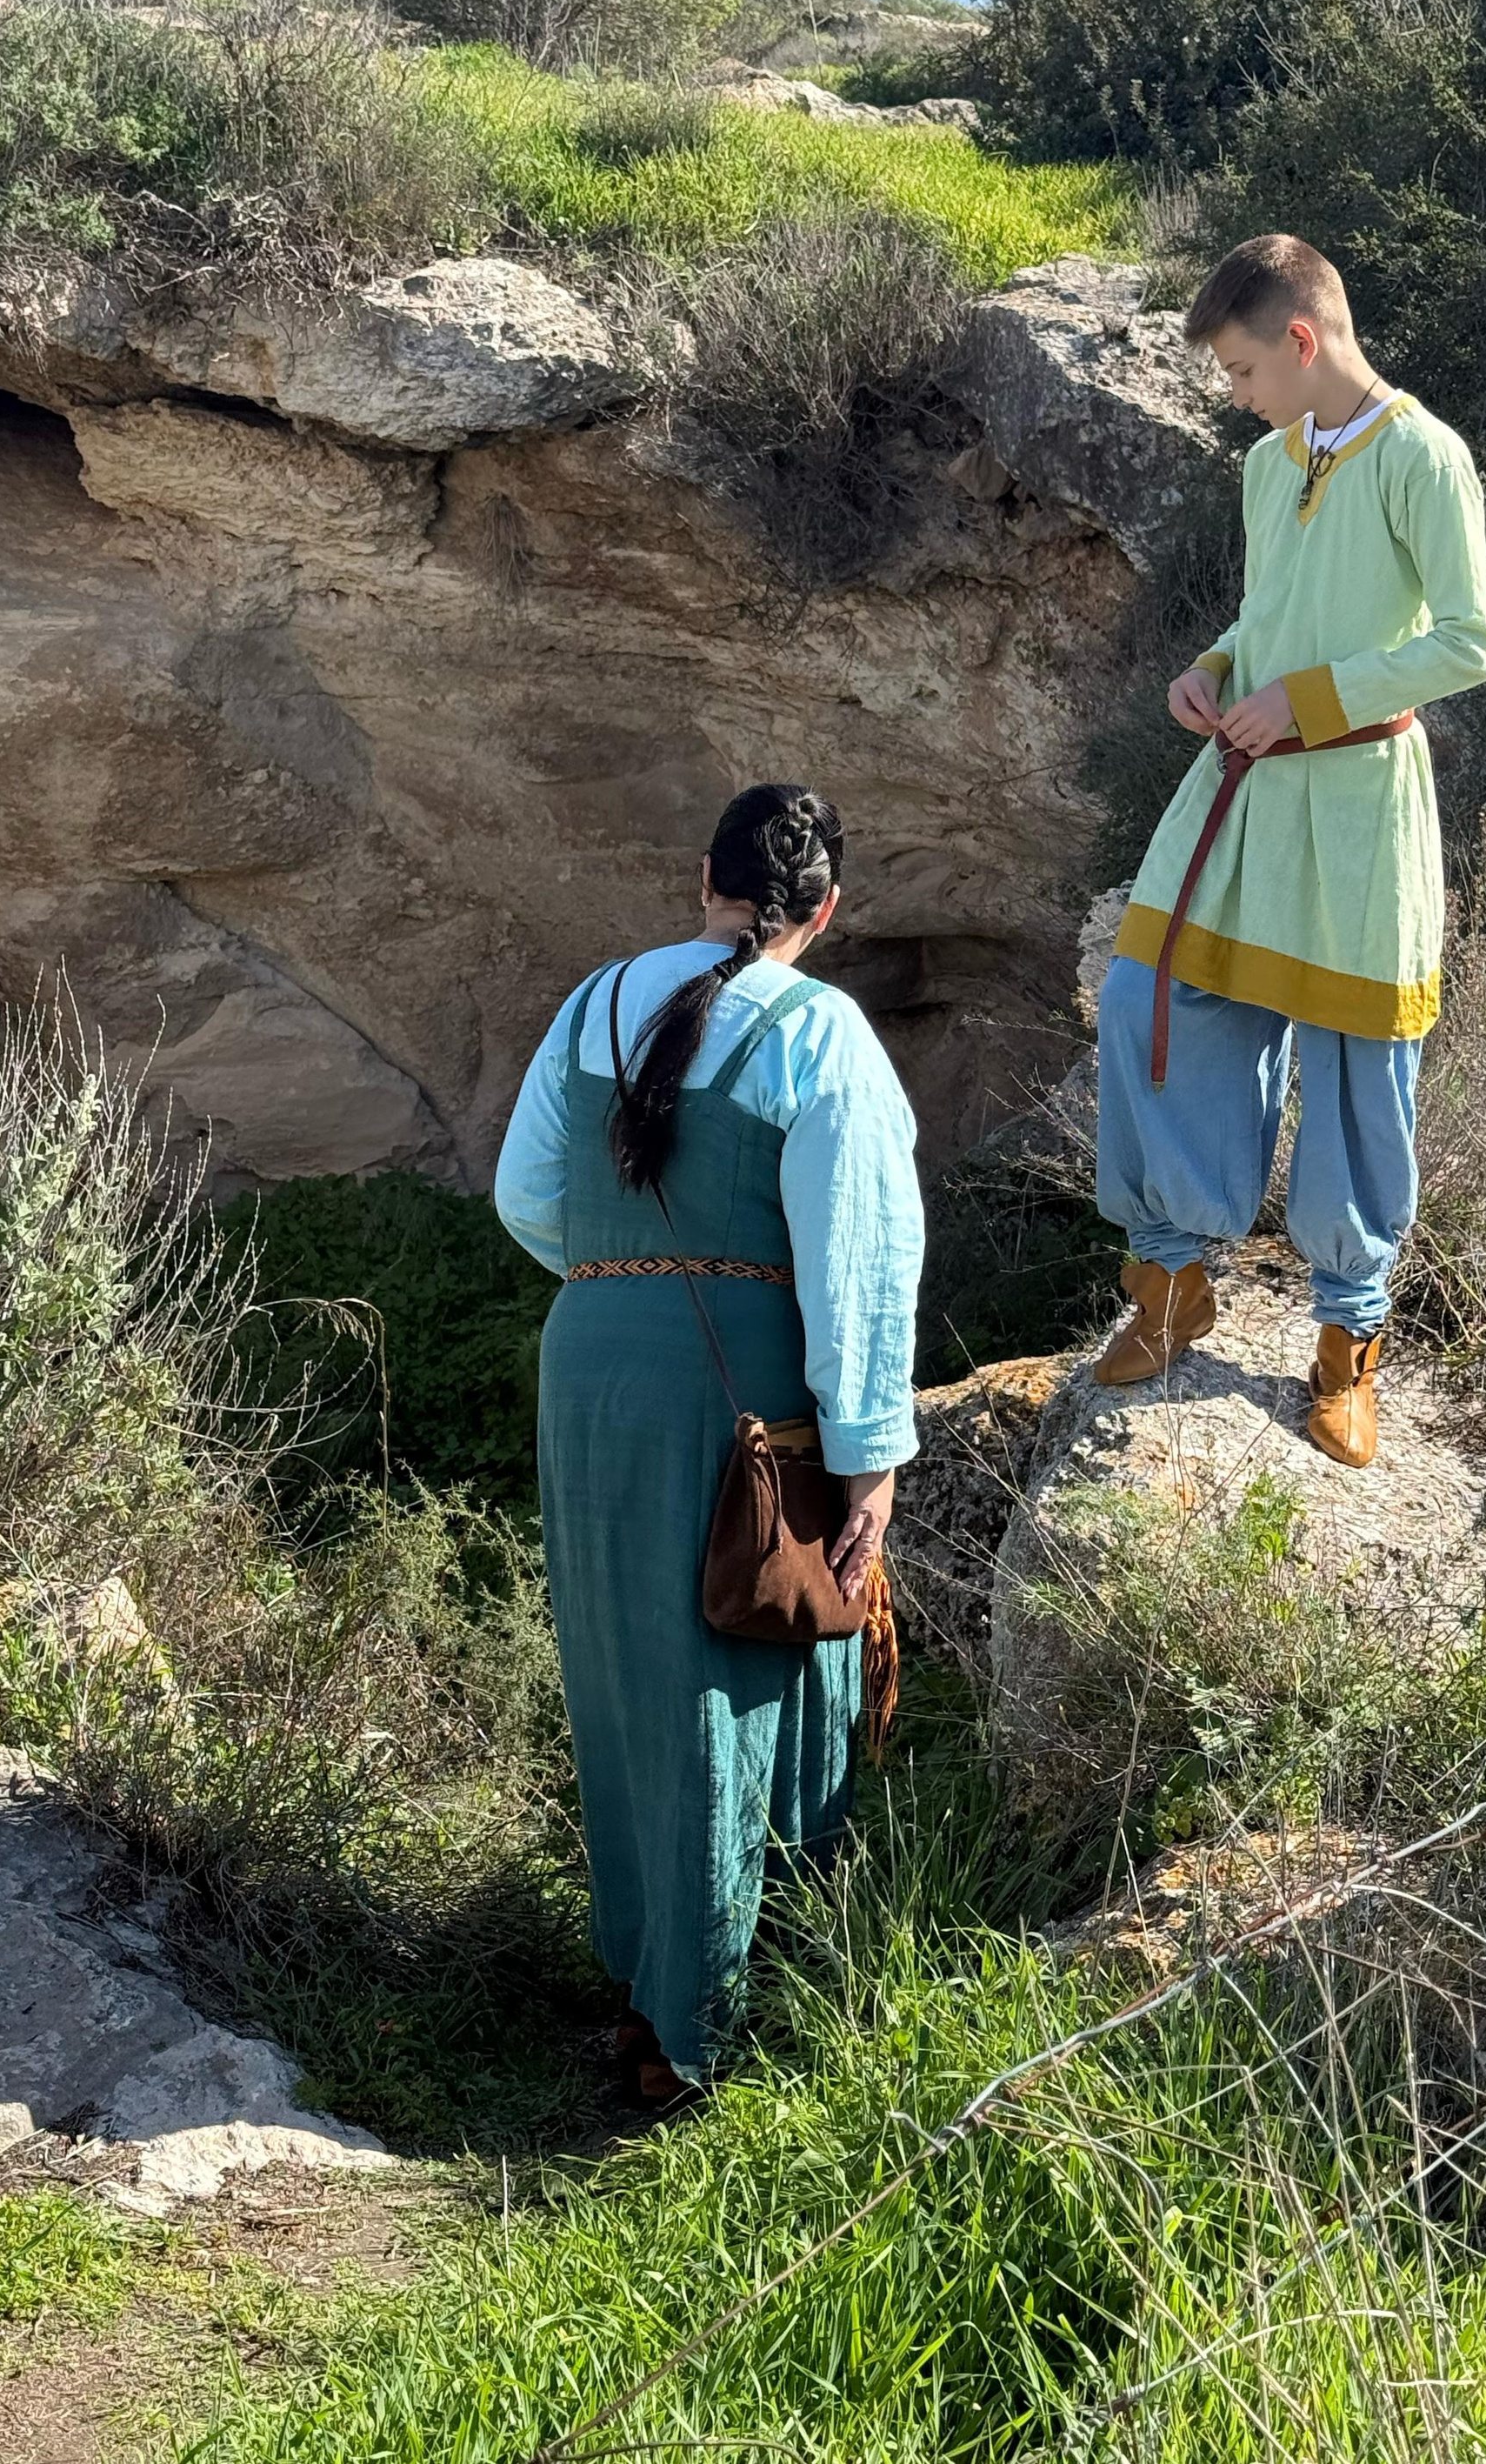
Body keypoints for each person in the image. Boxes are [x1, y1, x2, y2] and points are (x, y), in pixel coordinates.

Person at [494, 784, 923, 2105]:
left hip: (591, 1366)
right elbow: (858, 1263)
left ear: (704, 877)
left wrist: (624, 1279)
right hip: (740, 1396)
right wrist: (870, 1457)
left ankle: (644, 1985)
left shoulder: (592, 1005)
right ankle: (707, 2023)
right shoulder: (822, 1032)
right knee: (746, 1670)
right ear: (826, 912)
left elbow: (525, 1195)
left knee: (627, 1678)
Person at [1094, 234, 1486, 1466]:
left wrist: (1310, 699)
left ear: (1303, 339)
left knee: (1361, 1067)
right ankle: (1171, 1281)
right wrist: (1218, 665)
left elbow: (1470, 640)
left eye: (1239, 369)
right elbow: (1268, 610)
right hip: (1246, 792)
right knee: (1149, 994)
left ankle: (1347, 1341)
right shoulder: (1269, 467)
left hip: (1362, 802)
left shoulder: (1425, 457)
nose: (1234, 394)